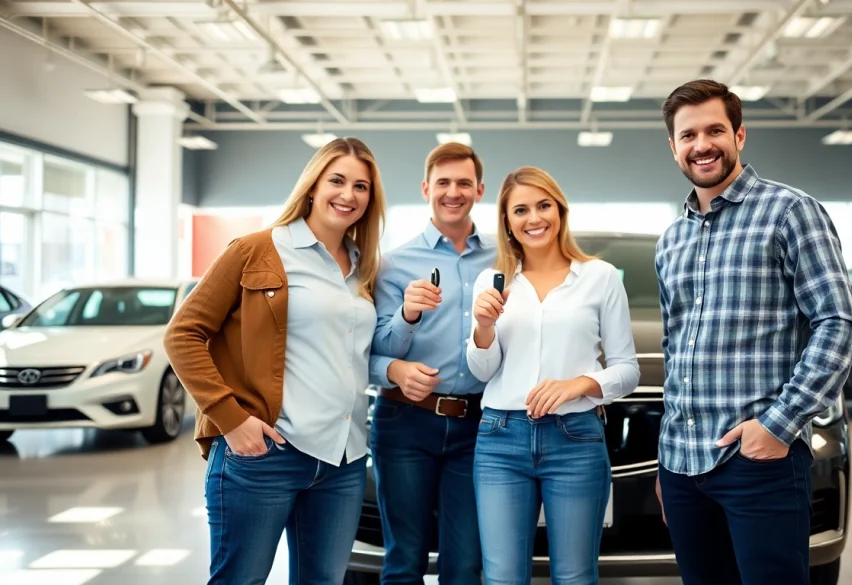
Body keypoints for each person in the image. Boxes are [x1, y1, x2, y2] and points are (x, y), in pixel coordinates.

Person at [653, 79, 852, 585]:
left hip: (759, 463)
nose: (701, 145)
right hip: (682, 467)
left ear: (739, 135)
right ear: (674, 147)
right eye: (688, 135)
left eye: (714, 130)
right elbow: (676, 351)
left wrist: (777, 424)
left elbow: (839, 326)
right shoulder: (672, 239)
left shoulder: (790, 212)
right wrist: (667, 457)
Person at [163, 137, 386, 584]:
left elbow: (356, 353)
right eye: (337, 181)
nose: (348, 195)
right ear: (311, 186)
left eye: (361, 186)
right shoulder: (256, 250)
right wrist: (231, 419)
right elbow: (183, 334)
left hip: (342, 461)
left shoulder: (364, 266)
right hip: (265, 453)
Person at [467, 166, 640, 585]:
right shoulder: (491, 282)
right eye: (520, 210)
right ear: (507, 221)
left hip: (575, 438)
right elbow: (482, 371)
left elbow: (627, 369)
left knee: (576, 576)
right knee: (502, 577)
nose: (534, 218)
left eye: (544, 205)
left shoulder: (599, 277)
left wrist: (579, 384)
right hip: (500, 440)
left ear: (560, 211)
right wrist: (483, 328)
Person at [369, 142, 493, 585]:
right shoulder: (393, 263)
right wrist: (406, 317)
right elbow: (369, 351)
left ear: (479, 189)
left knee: (465, 566)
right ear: (426, 188)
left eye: (463, 182)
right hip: (405, 422)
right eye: (443, 182)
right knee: (404, 561)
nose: (453, 192)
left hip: (477, 427)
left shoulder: (504, 259)